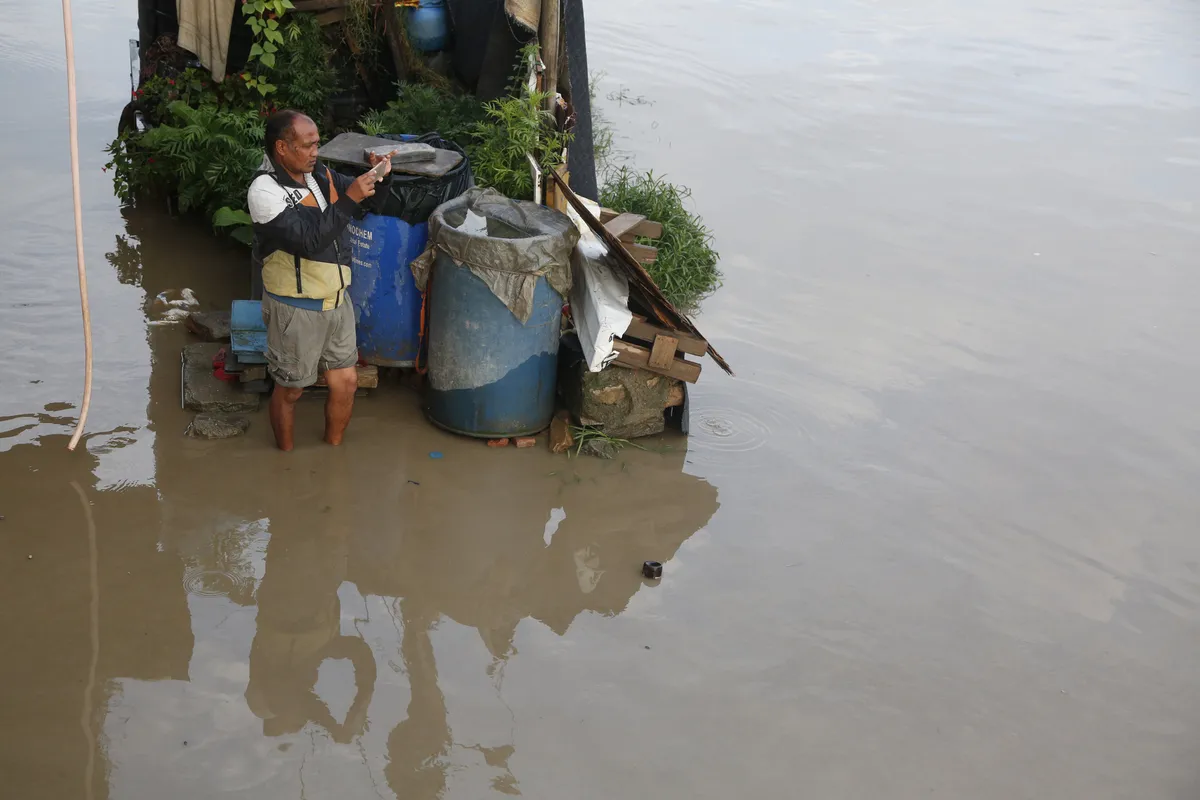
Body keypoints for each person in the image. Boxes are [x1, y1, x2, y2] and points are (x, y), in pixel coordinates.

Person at [248, 109, 393, 451]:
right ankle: (285, 459)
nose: (316, 151)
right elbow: (309, 242)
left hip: (336, 302)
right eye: (308, 145)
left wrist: (381, 176)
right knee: (292, 389)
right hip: (294, 309)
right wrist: (352, 196)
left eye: (317, 144)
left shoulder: (319, 175)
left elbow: (369, 205)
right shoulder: (264, 192)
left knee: (346, 383)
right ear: (282, 148)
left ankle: (333, 450)